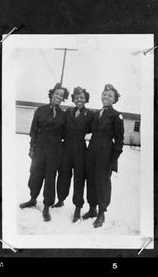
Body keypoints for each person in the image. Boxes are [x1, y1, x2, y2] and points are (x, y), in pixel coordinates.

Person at [19, 83, 69, 222]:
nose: (58, 96)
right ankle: (33, 198)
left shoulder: (63, 115)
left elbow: (65, 133)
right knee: (36, 173)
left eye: (61, 95)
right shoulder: (40, 110)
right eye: (57, 93)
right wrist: (31, 148)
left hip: (55, 149)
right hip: (40, 146)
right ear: (52, 94)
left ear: (63, 98)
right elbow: (33, 131)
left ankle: (47, 205)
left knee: (50, 176)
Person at [83, 84, 124, 228]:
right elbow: (87, 128)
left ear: (114, 100)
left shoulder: (116, 116)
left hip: (105, 153)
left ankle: (101, 213)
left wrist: (113, 160)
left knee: (102, 183)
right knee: (91, 180)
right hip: (91, 151)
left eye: (110, 96)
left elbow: (119, 140)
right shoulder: (96, 113)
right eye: (104, 94)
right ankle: (92, 208)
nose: (106, 97)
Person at [52, 86, 94, 223]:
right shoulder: (68, 112)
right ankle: (61, 199)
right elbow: (61, 127)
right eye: (76, 98)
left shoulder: (90, 115)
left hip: (80, 148)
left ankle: (77, 207)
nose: (79, 100)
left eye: (82, 97)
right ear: (73, 99)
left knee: (79, 178)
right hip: (66, 147)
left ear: (86, 99)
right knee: (63, 174)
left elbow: (91, 130)